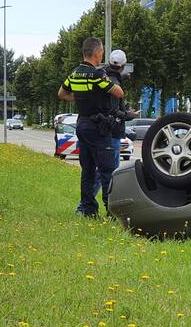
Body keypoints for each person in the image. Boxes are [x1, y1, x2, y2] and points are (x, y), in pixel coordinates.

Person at [58, 37, 125, 217]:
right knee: (107, 170)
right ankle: (111, 211)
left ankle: (88, 209)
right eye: (101, 51)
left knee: (87, 170)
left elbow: (62, 93)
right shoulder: (97, 75)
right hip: (98, 127)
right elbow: (119, 93)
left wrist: (81, 97)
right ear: (97, 53)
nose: (102, 54)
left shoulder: (74, 73)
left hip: (82, 124)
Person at [92, 49, 136, 196]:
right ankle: (95, 202)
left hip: (102, 129)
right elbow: (113, 111)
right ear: (123, 66)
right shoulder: (115, 84)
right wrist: (129, 115)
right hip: (112, 131)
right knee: (108, 171)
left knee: (103, 170)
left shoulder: (103, 76)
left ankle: (89, 202)